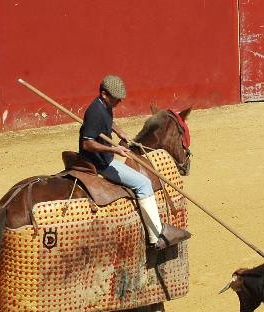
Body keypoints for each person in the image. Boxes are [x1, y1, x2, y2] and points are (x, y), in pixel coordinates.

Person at [79, 74, 191, 250]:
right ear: (104, 94)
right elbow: (87, 143)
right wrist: (113, 149)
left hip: (105, 155)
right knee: (143, 183)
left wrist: (119, 132)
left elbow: (107, 121)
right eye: (116, 99)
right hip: (101, 162)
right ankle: (156, 237)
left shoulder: (104, 106)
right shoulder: (95, 111)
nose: (119, 102)